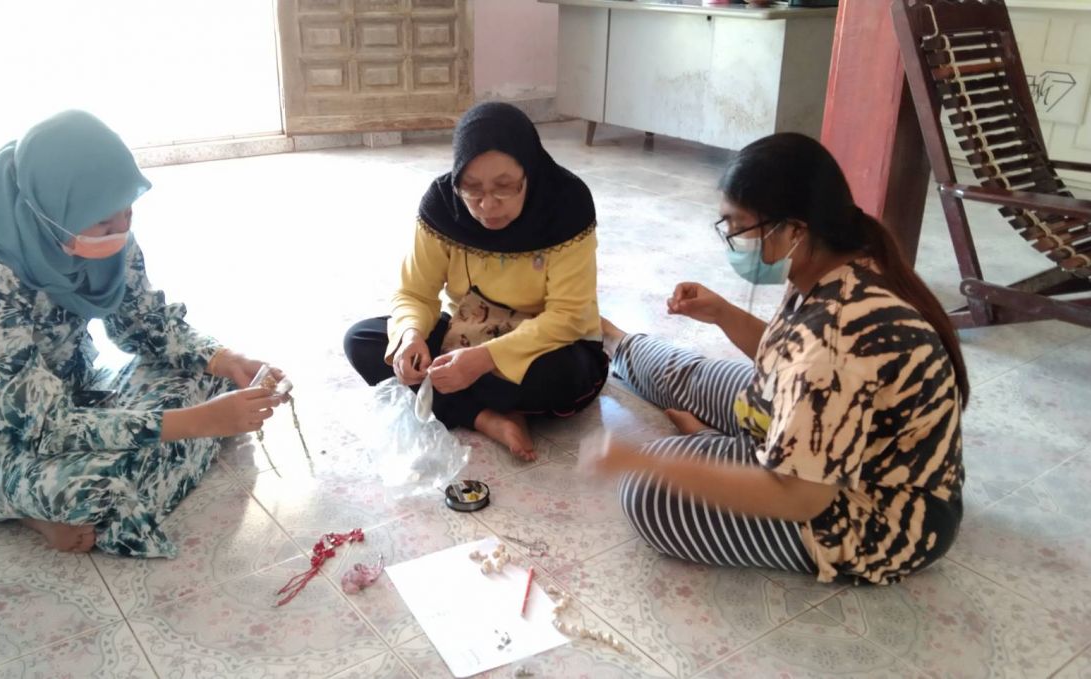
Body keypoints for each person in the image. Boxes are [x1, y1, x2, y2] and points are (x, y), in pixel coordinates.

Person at [582, 133, 967, 585]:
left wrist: (642, 463)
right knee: (693, 375)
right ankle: (612, 338)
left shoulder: (834, 337)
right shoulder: (836, 262)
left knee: (648, 492)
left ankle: (727, 445)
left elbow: (801, 498)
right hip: (827, 436)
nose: (731, 239)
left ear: (795, 230)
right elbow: (790, 357)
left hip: (872, 514)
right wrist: (723, 314)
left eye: (739, 226)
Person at [0, 110, 284, 556]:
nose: (121, 232)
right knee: (93, 487)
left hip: (75, 399)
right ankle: (37, 510)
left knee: (206, 375)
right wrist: (200, 422)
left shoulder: (100, 232)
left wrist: (224, 359)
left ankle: (112, 497)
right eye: (104, 223)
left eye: (128, 213)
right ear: (49, 211)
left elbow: (143, 323)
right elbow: (46, 423)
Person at [344, 102, 607, 460]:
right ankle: (485, 418)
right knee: (363, 341)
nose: (487, 205)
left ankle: (459, 400)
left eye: (504, 187)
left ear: (530, 171)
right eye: (471, 189)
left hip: (546, 342)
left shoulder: (566, 204)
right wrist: (410, 335)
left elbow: (569, 316)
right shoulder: (443, 205)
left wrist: (486, 358)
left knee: (562, 378)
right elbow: (414, 292)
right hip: (467, 331)